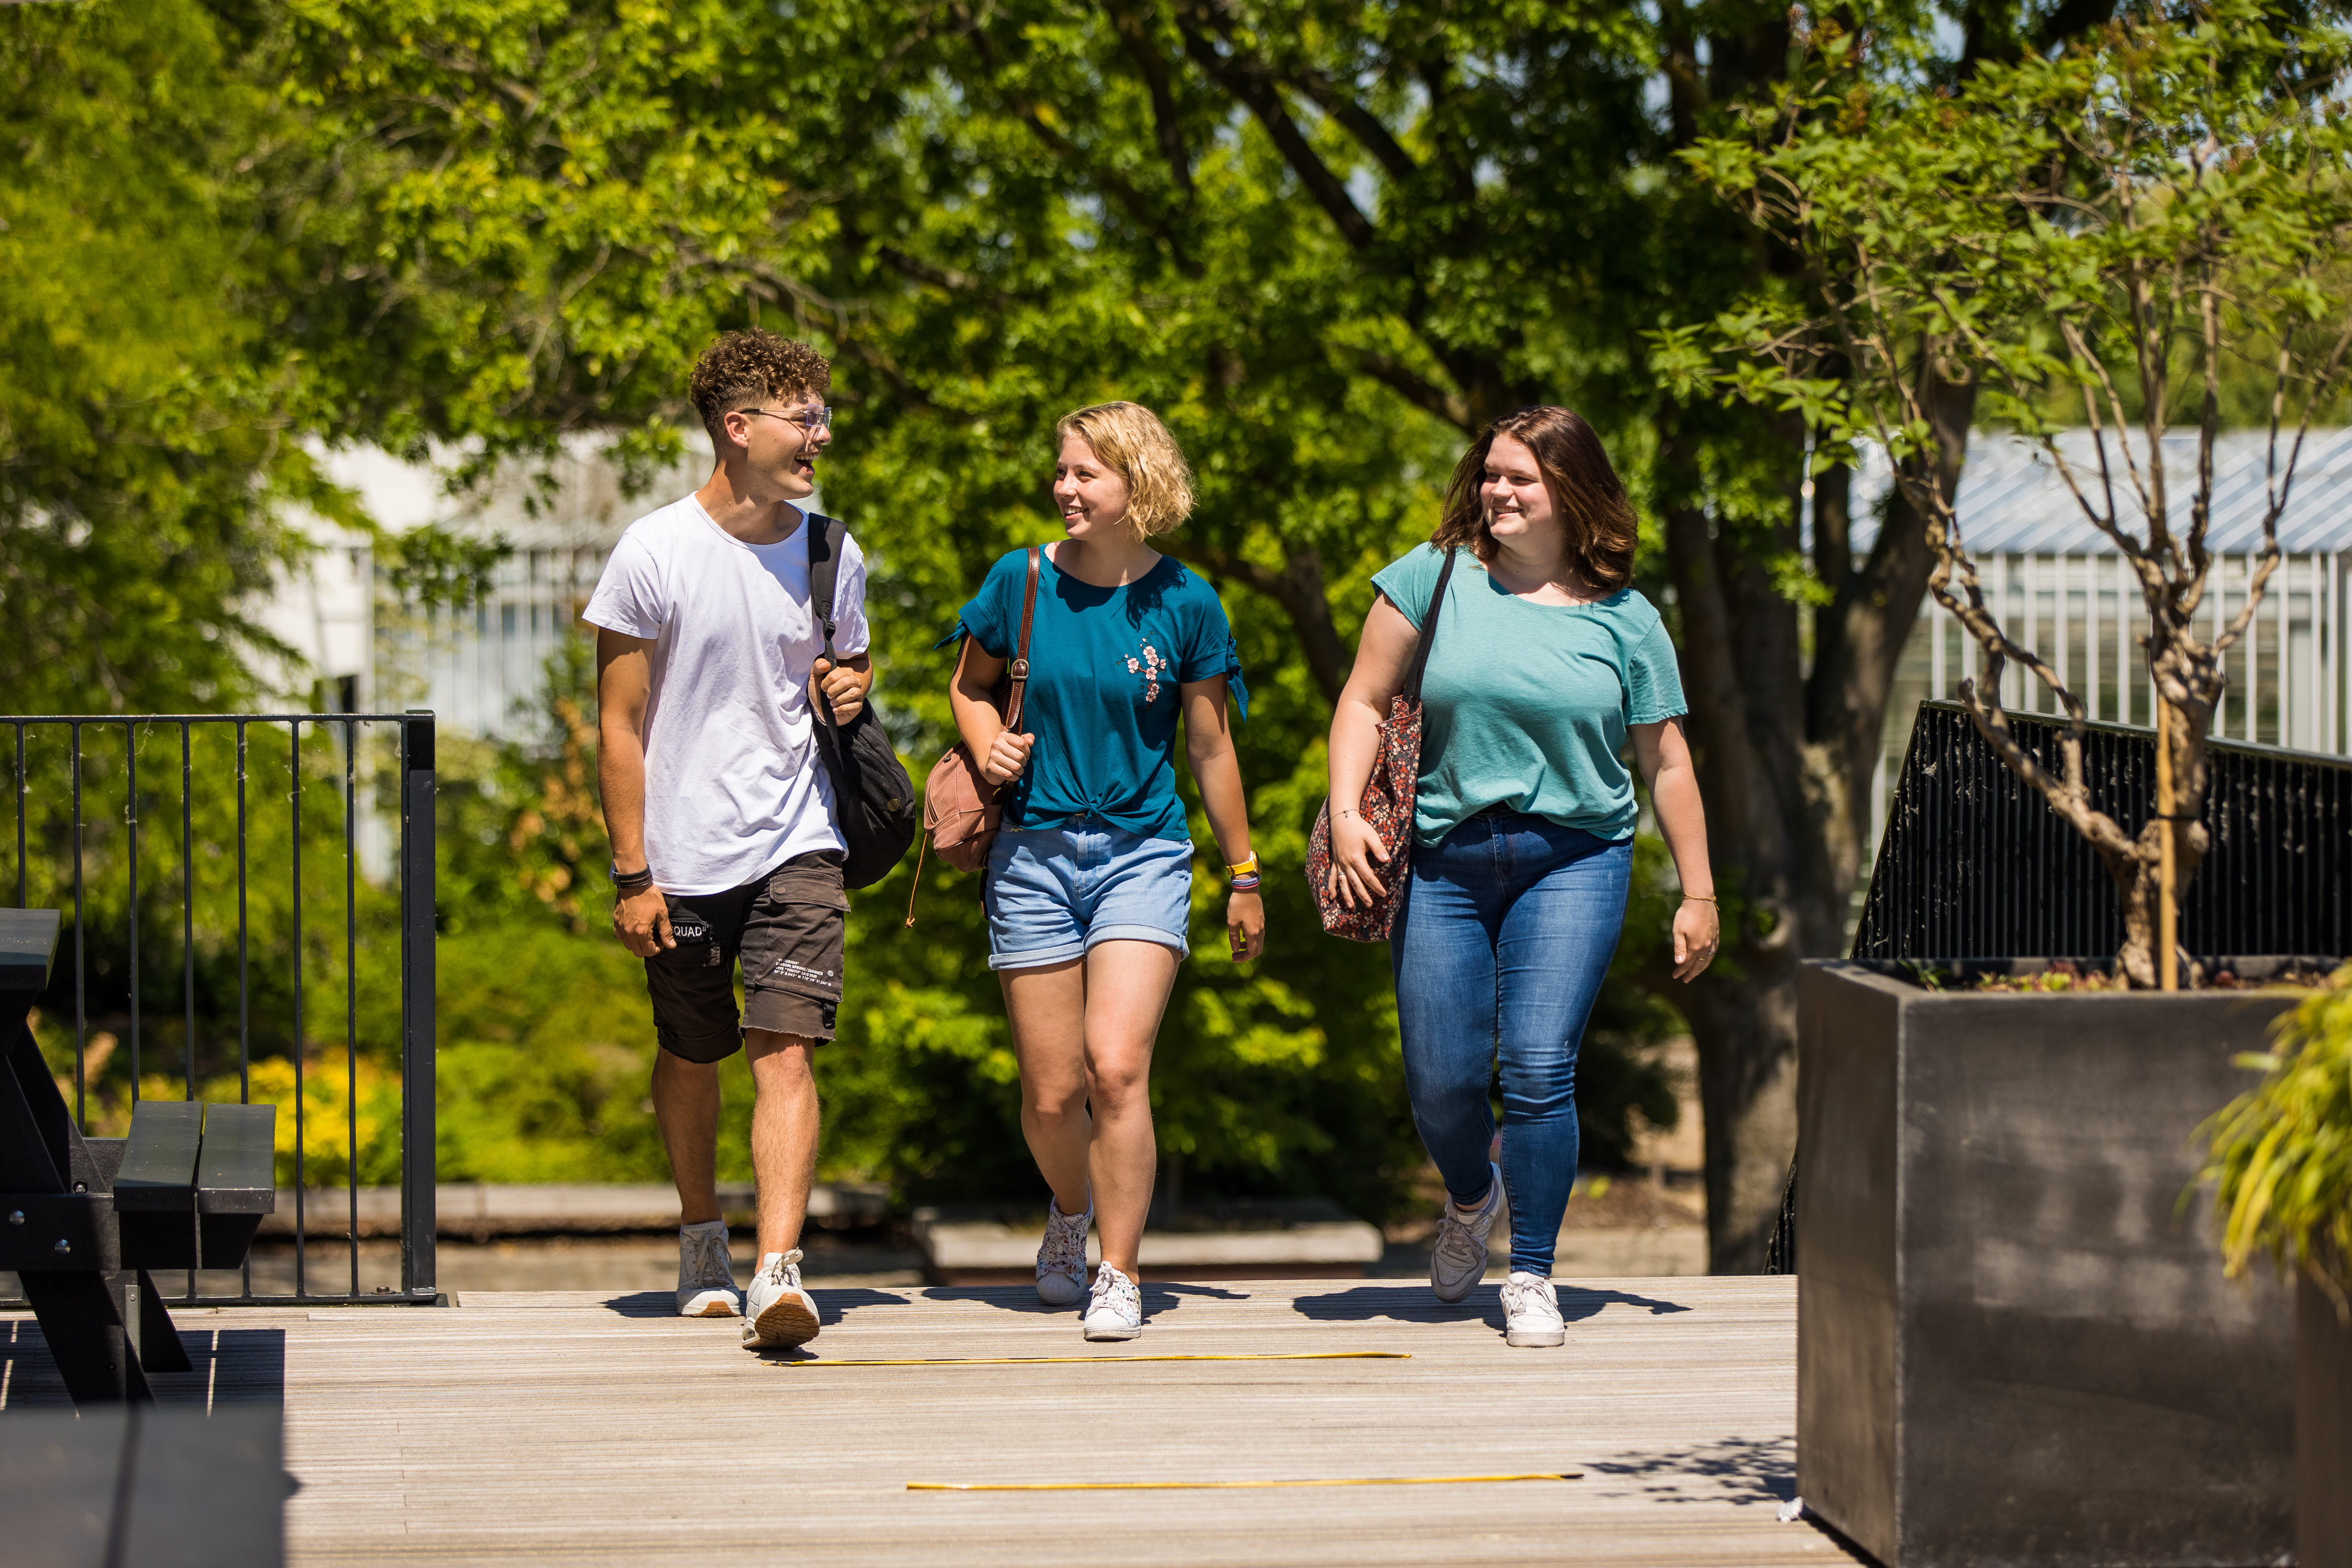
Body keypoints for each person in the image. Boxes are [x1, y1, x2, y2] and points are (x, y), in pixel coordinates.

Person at [1322, 405, 1719, 1349]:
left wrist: (1696, 894)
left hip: (1573, 860)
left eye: (1520, 479)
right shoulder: (1434, 576)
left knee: (1539, 1071)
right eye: (1491, 473)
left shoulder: (1627, 620)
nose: (1496, 491)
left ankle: (1532, 1272)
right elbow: (1361, 701)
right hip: (1444, 860)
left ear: (1570, 494)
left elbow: (1667, 764)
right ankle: (1471, 1196)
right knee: (1441, 1079)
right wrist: (1344, 816)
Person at [945, 402, 1264, 1341]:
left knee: (1115, 1069)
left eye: (1086, 474)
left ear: (1138, 484)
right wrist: (988, 746)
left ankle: (1117, 1271)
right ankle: (1070, 1213)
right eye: (1062, 472)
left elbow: (1209, 749)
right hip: (1032, 854)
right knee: (1050, 1095)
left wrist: (1242, 872)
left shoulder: (1186, 602)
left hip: (1142, 853)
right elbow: (968, 688)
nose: (1065, 489)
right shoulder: (1020, 581)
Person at [584, 330, 874, 1351]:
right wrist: (632, 872)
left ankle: (779, 1271)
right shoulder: (652, 552)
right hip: (681, 854)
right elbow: (619, 725)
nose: (820, 436)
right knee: (691, 1047)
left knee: (786, 1047)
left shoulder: (832, 551)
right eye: (804, 417)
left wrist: (851, 684)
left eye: (821, 416)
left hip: (799, 837)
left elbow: (848, 670)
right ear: (737, 426)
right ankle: (703, 1233)